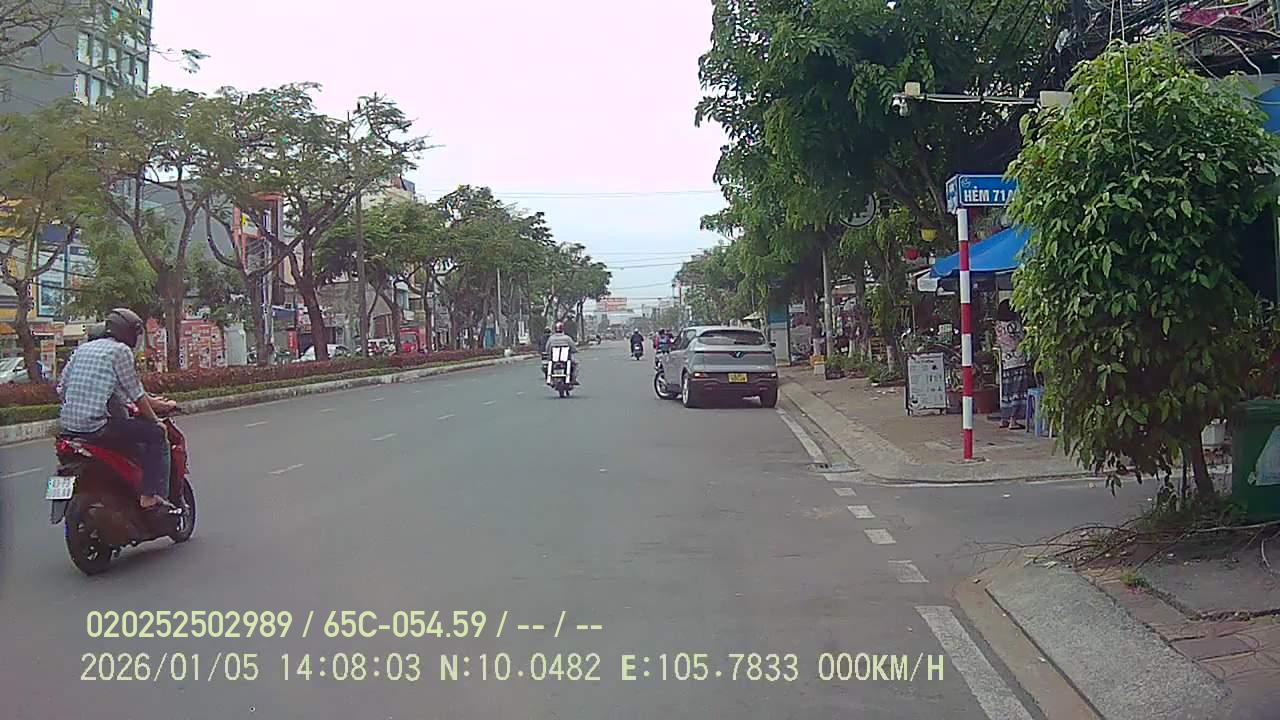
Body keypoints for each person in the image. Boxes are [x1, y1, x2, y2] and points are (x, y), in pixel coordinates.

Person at [59, 309, 178, 512]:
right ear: (128, 331)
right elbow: (136, 394)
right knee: (157, 434)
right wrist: (155, 420)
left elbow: (61, 388)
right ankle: (151, 497)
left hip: (68, 427)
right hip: (96, 427)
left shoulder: (83, 349)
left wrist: (157, 403)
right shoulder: (120, 351)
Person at [995, 300, 1029, 430]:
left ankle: (1004, 418)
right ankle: (1013, 420)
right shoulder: (1014, 325)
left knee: (1006, 391)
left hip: (1005, 360)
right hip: (1018, 359)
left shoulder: (998, 326)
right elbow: (1022, 339)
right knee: (1017, 390)